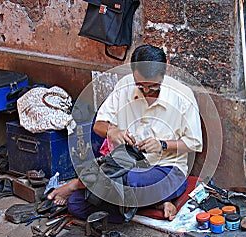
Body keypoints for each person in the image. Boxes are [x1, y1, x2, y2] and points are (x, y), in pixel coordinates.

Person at [48, 44, 203, 222]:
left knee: (129, 181)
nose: (146, 91)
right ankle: (155, 204)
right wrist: (113, 131)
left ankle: (78, 184)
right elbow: (99, 125)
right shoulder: (125, 86)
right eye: (140, 86)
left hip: (166, 170)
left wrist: (162, 145)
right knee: (77, 204)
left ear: (164, 69)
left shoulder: (182, 96)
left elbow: (194, 143)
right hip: (124, 166)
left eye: (152, 87)